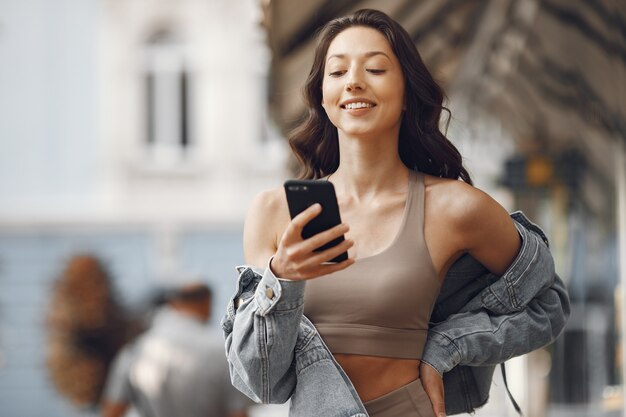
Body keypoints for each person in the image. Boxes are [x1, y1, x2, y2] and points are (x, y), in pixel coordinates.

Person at [222, 8, 569, 417]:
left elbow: (549, 303)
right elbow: (261, 381)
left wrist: (447, 347)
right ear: (322, 97)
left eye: (375, 68)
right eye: (337, 72)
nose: (353, 81)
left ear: (407, 92)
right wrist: (282, 279)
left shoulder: (454, 207)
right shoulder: (273, 212)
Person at [102, 283, 249, 417]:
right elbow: (238, 413)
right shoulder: (222, 351)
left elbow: (112, 411)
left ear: (174, 304)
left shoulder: (135, 349)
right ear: (207, 303)